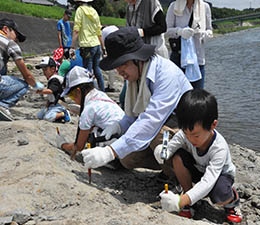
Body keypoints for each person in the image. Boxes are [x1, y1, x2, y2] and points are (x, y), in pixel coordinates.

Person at [81, 27, 192, 176]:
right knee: (127, 158)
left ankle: (183, 177)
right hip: (164, 126)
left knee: (158, 135)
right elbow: (133, 115)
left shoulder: (166, 75)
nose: (119, 72)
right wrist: (119, 126)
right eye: (116, 66)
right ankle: (168, 170)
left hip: (187, 131)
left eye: (123, 64)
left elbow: (151, 120)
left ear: (138, 58)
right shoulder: (135, 77)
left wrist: (109, 152)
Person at [157, 89, 242, 223]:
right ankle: (190, 200)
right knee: (177, 158)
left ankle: (232, 200)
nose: (190, 139)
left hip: (219, 176)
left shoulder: (219, 148)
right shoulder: (187, 133)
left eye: (196, 135)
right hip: (199, 169)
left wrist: (179, 201)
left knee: (219, 195)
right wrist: (163, 151)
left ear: (213, 125)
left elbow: (208, 182)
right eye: (186, 133)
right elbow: (174, 143)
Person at [56, 66, 124, 161]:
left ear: (78, 91)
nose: (73, 100)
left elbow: (79, 146)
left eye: (71, 95)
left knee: (91, 136)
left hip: (116, 152)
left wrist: (62, 145)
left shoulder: (89, 109)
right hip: (126, 141)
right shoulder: (100, 95)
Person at [0, 18, 44, 121]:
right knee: (23, 85)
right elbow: (27, 76)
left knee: (3, 67)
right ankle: (3, 105)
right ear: (6, 29)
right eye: (16, 35)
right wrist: (37, 86)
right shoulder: (9, 43)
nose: (16, 40)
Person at [165, 0, 213, 89]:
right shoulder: (173, 6)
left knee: (198, 97)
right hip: (178, 58)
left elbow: (210, 30)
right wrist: (180, 31)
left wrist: (203, 34)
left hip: (198, 59)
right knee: (178, 94)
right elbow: (166, 31)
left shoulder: (205, 7)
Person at [70, 0, 105, 92]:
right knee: (97, 69)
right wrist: (103, 47)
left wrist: (72, 47)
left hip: (87, 45)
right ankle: (102, 91)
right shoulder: (94, 11)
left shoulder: (80, 10)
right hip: (96, 44)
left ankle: (90, 92)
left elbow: (76, 29)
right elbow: (99, 31)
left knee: (87, 71)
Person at [35, 57, 71, 123]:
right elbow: (50, 97)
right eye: (43, 70)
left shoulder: (55, 79)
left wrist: (40, 91)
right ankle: (58, 117)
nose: (44, 72)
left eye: (45, 69)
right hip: (52, 104)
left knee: (47, 117)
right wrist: (47, 105)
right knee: (40, 115)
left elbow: (51, 91)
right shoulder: (51, 79)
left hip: (59, 104)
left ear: (53, 69)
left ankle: (64, 113)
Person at [101, 25, 119, 93]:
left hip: (113, 43)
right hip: (120, 41)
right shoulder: (113, 27)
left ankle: (111, 86)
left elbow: (102, 44)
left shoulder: (103, 32)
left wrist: (103, 54)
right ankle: (111, 84)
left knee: (112, 66)